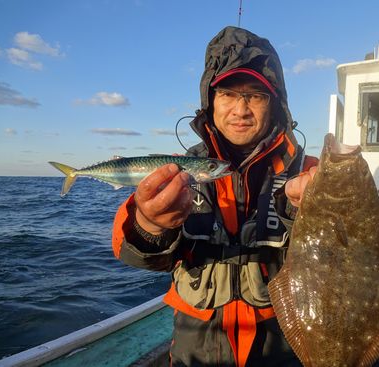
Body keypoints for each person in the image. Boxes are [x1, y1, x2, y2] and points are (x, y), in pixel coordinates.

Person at [112, 26, 317, 366]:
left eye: (255, 95)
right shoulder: (177, 170)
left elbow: (344, 259)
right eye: (227, 94)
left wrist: (311, 214)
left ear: (276, 104)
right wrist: (149, 225)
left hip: (285, 344)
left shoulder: (311, 172)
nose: (241, 109)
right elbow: (129, 252)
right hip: (196, 348)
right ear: (210, 100)